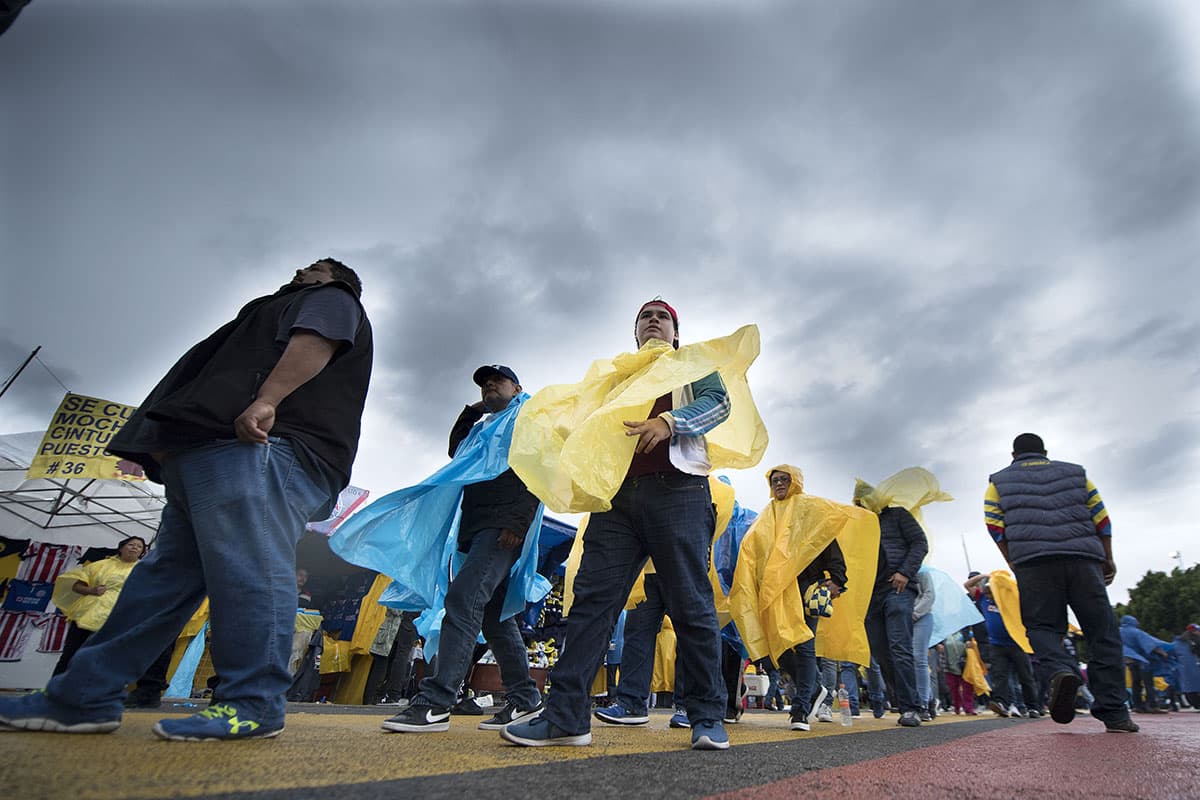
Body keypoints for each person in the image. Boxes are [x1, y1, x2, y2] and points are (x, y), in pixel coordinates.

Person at [0, 258, 373, 740]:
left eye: (315, 266)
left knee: (250, 566)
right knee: (162, 580)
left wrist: (268, 400)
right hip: (211, 444)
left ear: (335, 277)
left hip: (261, 443)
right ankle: (83, 695)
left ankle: (253, 702)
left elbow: (313, 342)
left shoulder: (331, 298)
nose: (302, 269)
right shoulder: (277, 306)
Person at [502, 300, 740, 751]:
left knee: (691, 604)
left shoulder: (689, 363)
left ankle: (708, 715)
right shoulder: (615, 375)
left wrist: (671, 421)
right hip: (615, 500)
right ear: (635, 332)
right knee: (592, 603)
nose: (653, 319)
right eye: (645, 316)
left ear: (675, 333)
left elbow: (719, 403)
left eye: (662, 316)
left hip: (679, 492)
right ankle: (566, 717)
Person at [375, 365, 543, 733]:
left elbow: (539, 467)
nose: (489, 386)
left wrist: (518, 521)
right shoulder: (484, 430)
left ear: (518, 387)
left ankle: (436, 701)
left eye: (497, 380)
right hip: (478, 526)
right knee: (495, 617)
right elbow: (457, 452)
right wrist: (473, 411)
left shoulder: (530, 417)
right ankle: (526, 698)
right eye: (484, 383)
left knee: (464, 600)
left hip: (502, 527)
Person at [983, 432, 1136, 733]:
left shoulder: (997, 483)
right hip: (1084, 560)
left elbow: (995, 526)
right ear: (1045, 452)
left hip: (1034, 563)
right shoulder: (1077, 474)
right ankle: (1115, 713)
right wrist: (1107, 557)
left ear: (1013, 455)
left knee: (1041, 627)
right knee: (1102, 632)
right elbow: (1101, 518)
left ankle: (1059, 671)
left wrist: (1014, 563)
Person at [855, 482, 928, 727]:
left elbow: (920, 543)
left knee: (899, 647)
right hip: (871, 594)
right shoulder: (858, 525)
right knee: (880, 650)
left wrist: (905, 572)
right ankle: (906, 700)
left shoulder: (898, 516)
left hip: (897, 588)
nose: (861, 502)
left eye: (865, 498)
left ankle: (911, 708)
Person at [50, 536, 147, 675]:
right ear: (121, 548)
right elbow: (77, 585)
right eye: (131, 544)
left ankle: (88, 691)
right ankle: (55, 689)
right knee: (71, 653)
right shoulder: (101, 564)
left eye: (139, 546)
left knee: (103, 657)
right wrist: (91, 590)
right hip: (87, 613)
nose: (134, 547)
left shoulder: (143, 569)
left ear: (142, 552)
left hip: (118, 618)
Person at [964, 572, 1041, 718]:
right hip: (996, 644)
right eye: (985, 592)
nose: (987, 595)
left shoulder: (1010, 599)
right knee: (999, 676)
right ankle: (1002, 704)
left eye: (989, 592)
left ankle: (1032, 707)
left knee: (1025, 677)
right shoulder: (983, 600)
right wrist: (983, 576)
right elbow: (967, 585)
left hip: (1016, 643)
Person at [1119, 615, 1170, 714]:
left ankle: (1137, 705)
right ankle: (1152, 705)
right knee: (1148, 683)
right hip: (1143, 661)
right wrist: (1163, 653)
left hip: (1129, 661)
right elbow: (1150, 644)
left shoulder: (1118, 632)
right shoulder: (1136, 632)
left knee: (1136, 683)